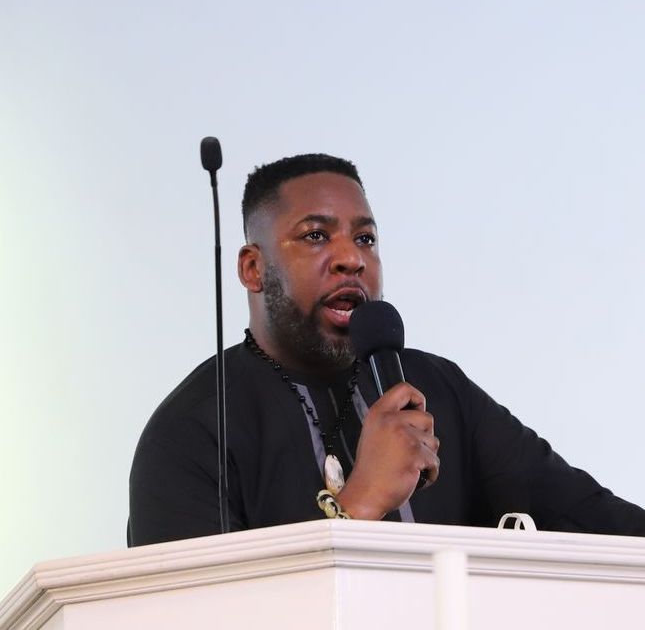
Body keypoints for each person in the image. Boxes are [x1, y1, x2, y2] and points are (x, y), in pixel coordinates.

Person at [128, 153, 645, 547]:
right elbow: (196, 612)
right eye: (315, 235)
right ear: (252, 269)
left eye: (366, 239)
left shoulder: (435, 387)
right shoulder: (192, 431)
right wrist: (361, 502)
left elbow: (587, 515)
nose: (351, 259)